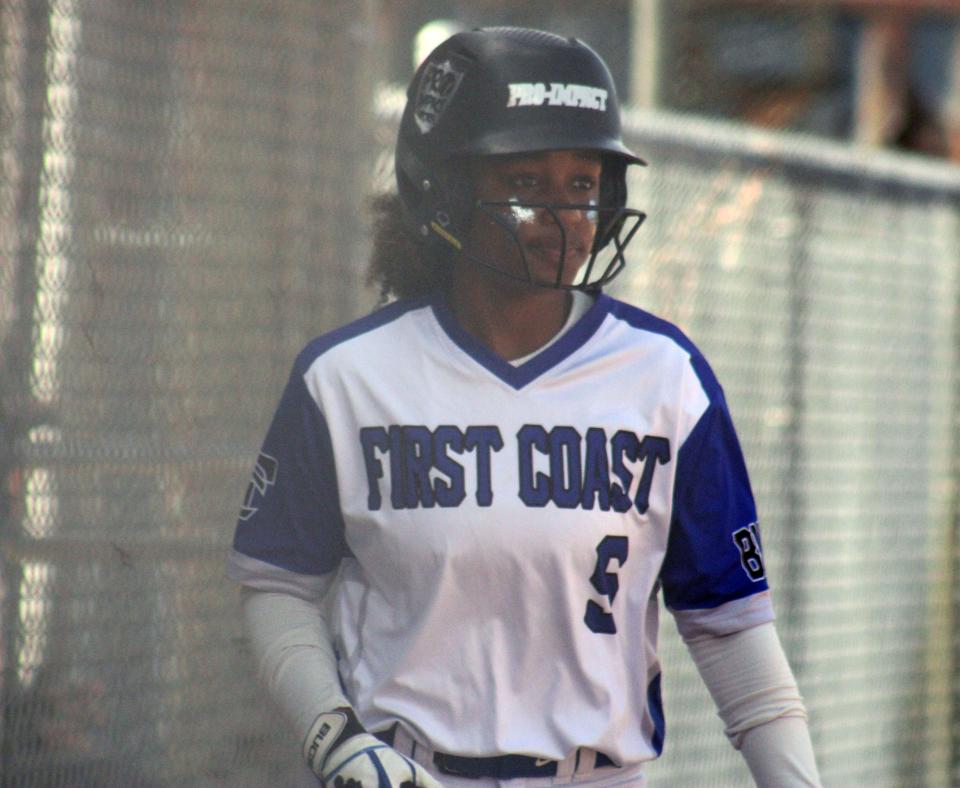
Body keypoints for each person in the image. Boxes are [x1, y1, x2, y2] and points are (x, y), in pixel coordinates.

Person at [227, 26, 821, 787]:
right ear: (444, 187)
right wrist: (334, 737)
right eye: (527, 183)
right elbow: (277, 586)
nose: (565, 214)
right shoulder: (346, 378)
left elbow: (732, 631)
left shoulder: (665, 378)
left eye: (583, 184)